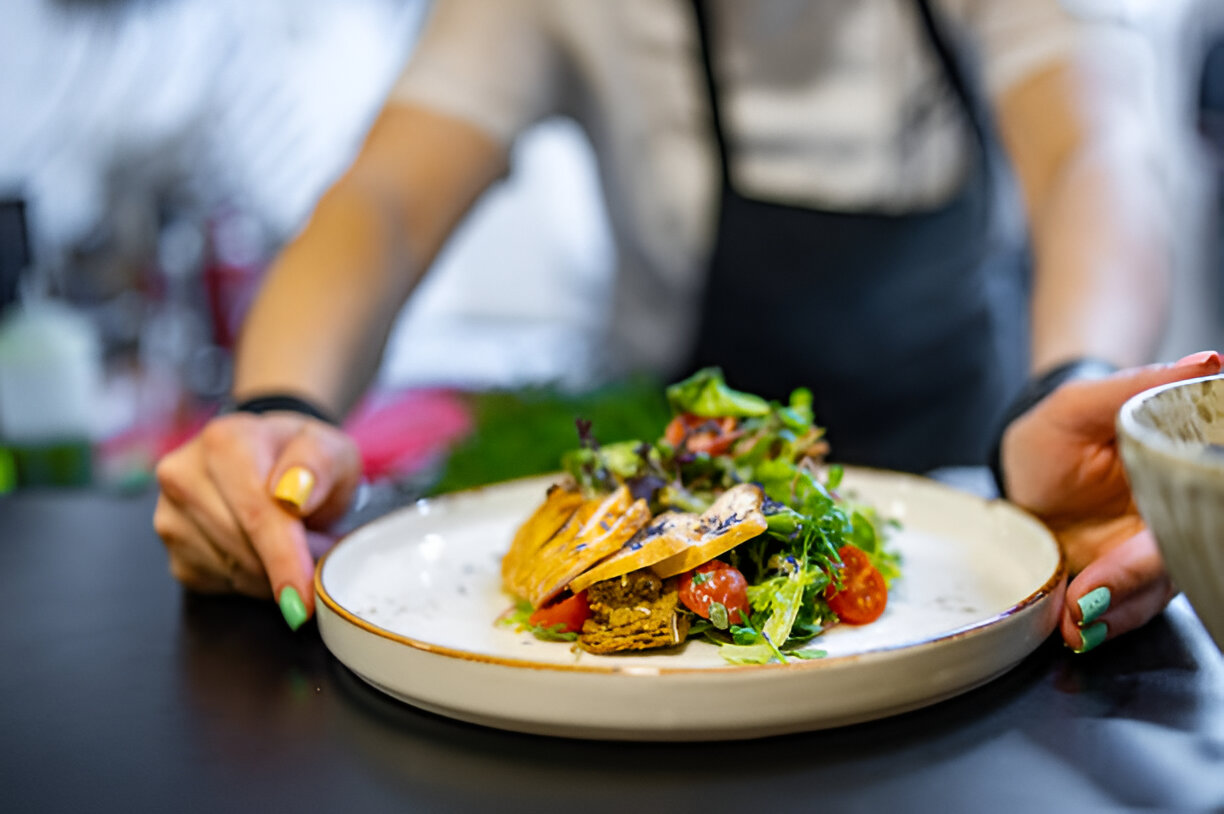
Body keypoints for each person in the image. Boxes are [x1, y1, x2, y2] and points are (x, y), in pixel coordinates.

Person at [153, 0, 1200, 654]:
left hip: (979, 478)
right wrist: (278, 412)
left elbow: (1092, 152)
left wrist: (1078, 385)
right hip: (660, 512)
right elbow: (385, 198)